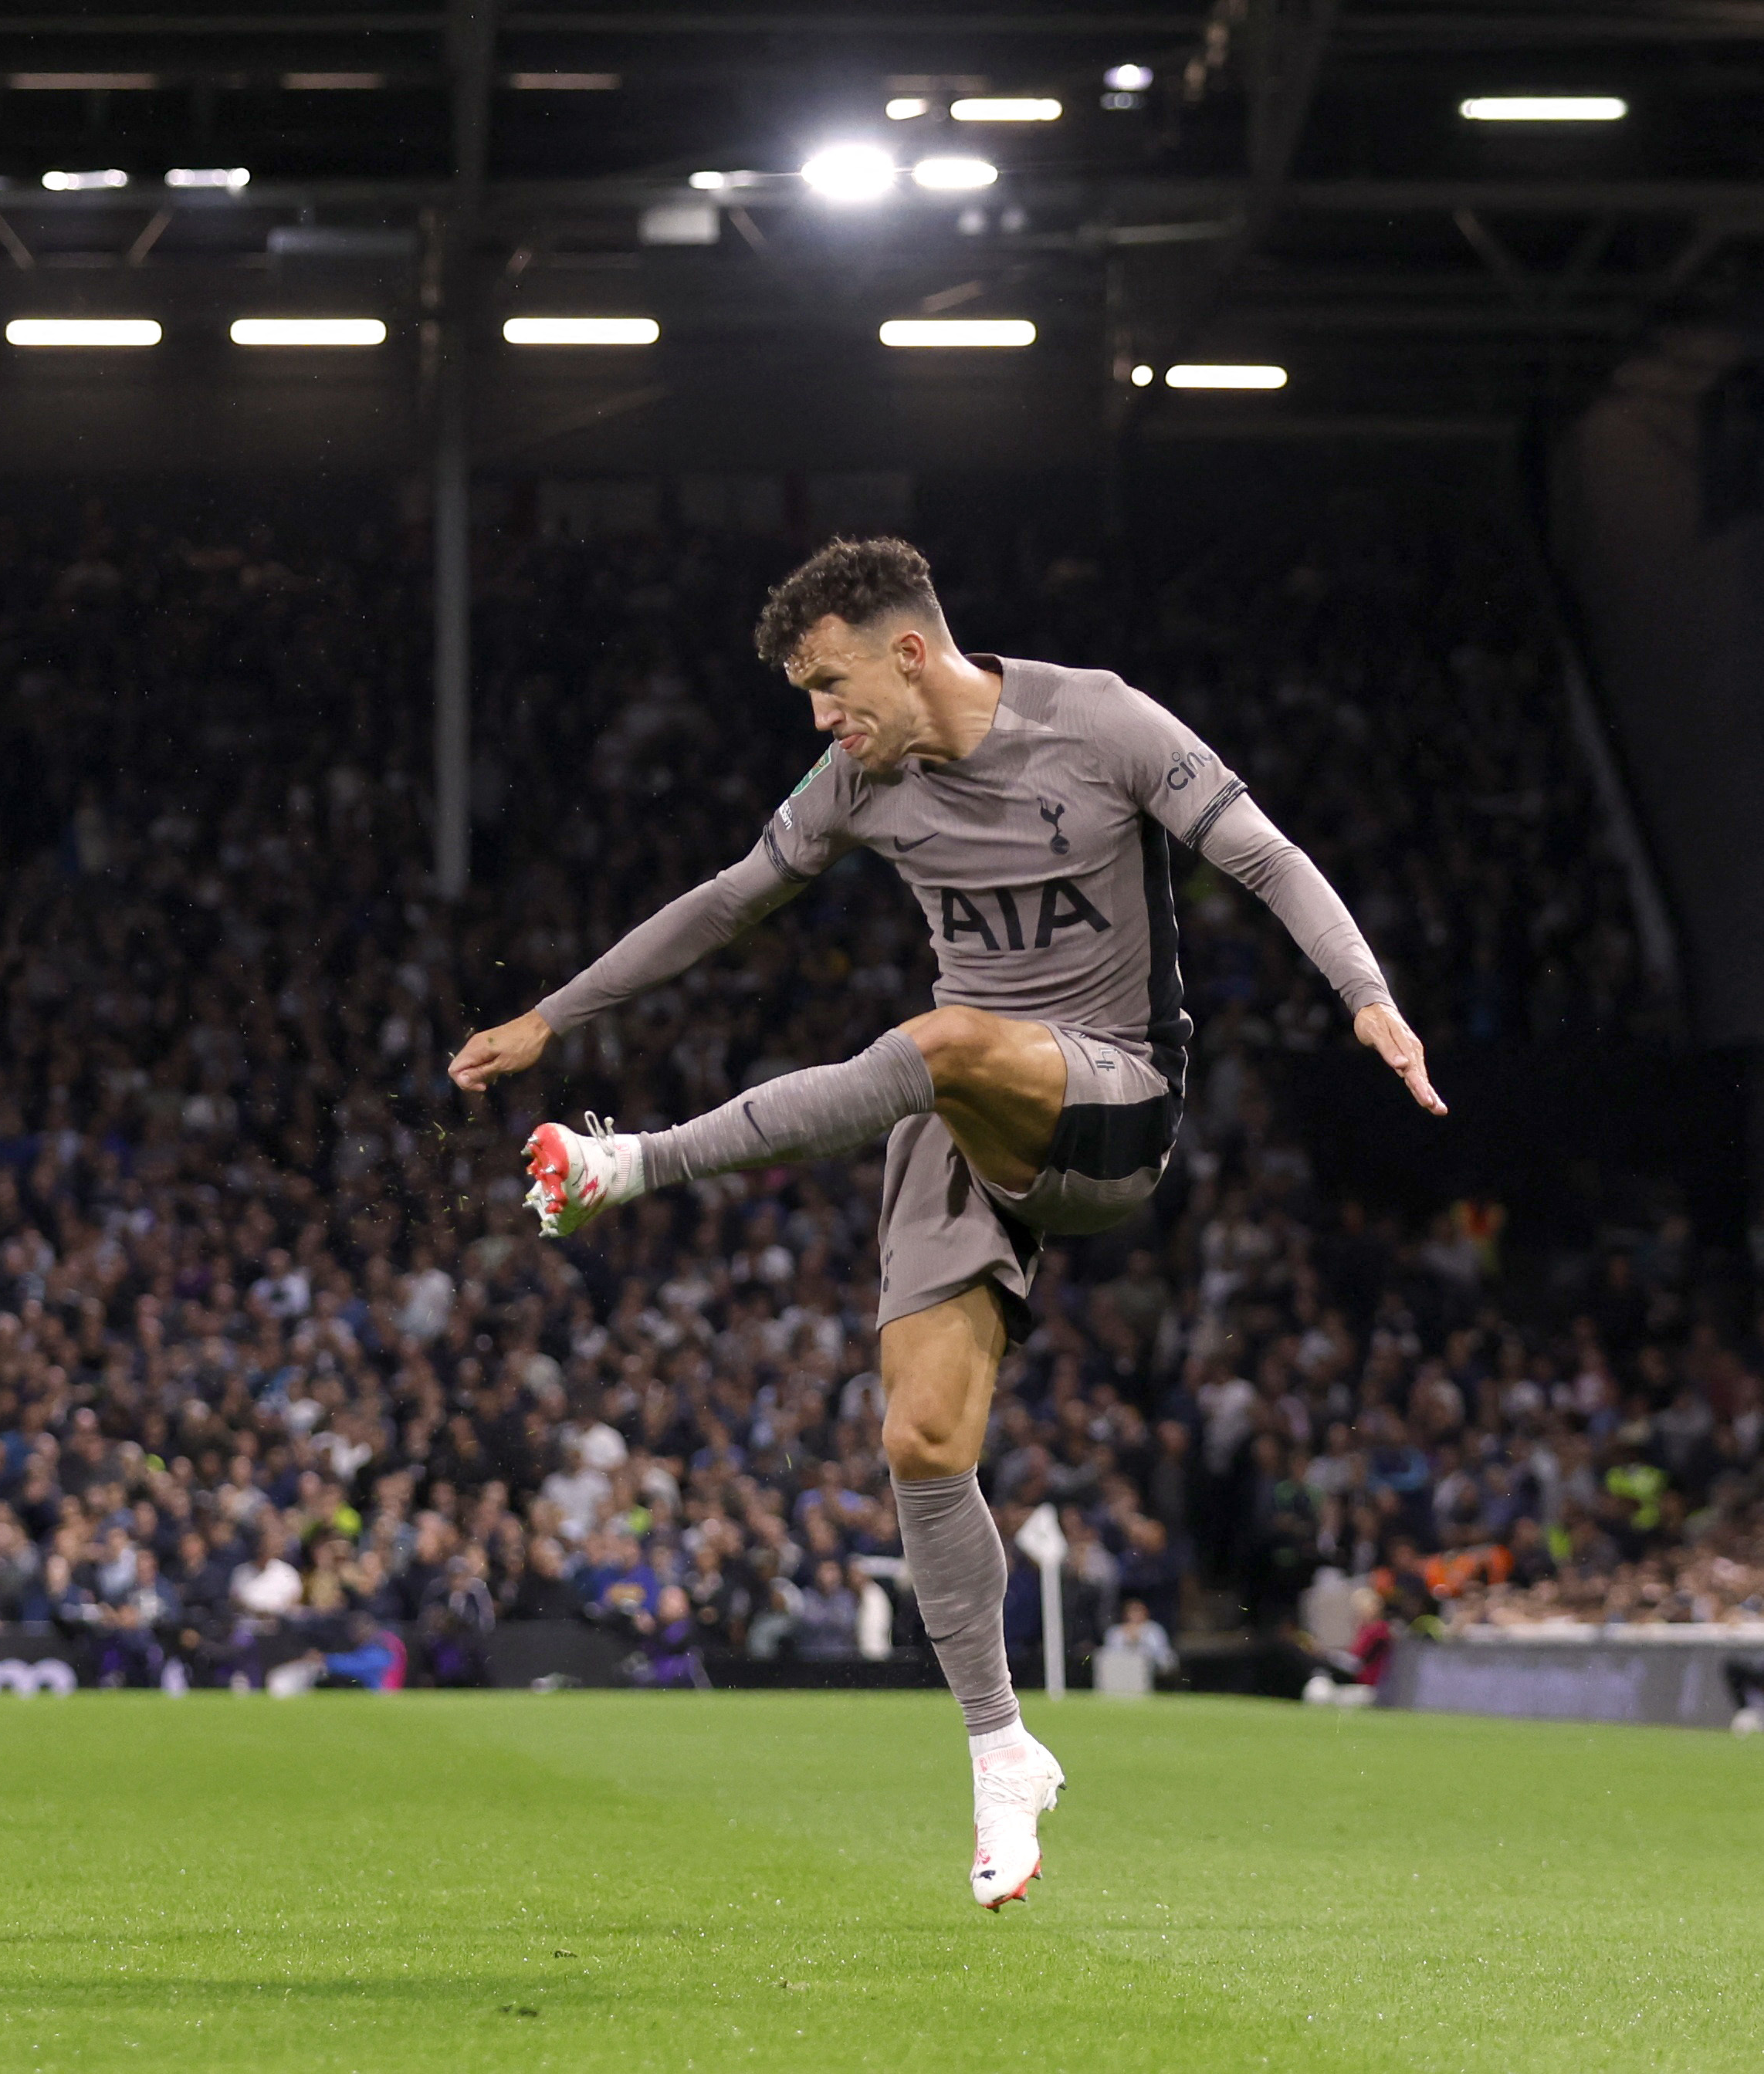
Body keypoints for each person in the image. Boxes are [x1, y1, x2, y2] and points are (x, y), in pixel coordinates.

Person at [451, 537, 1441, 1910]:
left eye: (829, 683)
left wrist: (1364, 995)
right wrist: (552, 1015)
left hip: (1111, 1096)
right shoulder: (859, 780)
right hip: (960, 1105)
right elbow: (728, 899)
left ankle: (632, 1165)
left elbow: (1264, 857)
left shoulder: (1099, 721)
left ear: (908, 651)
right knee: (919, 1437)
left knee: (947, 1036)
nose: (819, 717)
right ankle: (1000, 1752)